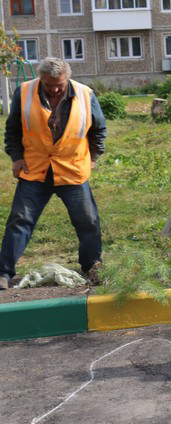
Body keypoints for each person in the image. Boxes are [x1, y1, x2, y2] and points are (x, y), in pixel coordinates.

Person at [0, 57, 107, 290]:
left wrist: (93, 158)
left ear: (67, 78)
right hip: (35, 170)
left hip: (72, 170)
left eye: (59, 84)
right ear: (41, 78)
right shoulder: (24, 92)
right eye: (49, 85)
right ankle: (4, 273)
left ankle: (92, 266)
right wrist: (17, 158)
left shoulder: (85, 94)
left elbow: (99, 130)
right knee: (20, 220)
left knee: (88, 221)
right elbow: (13, 130)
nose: (55, 89)